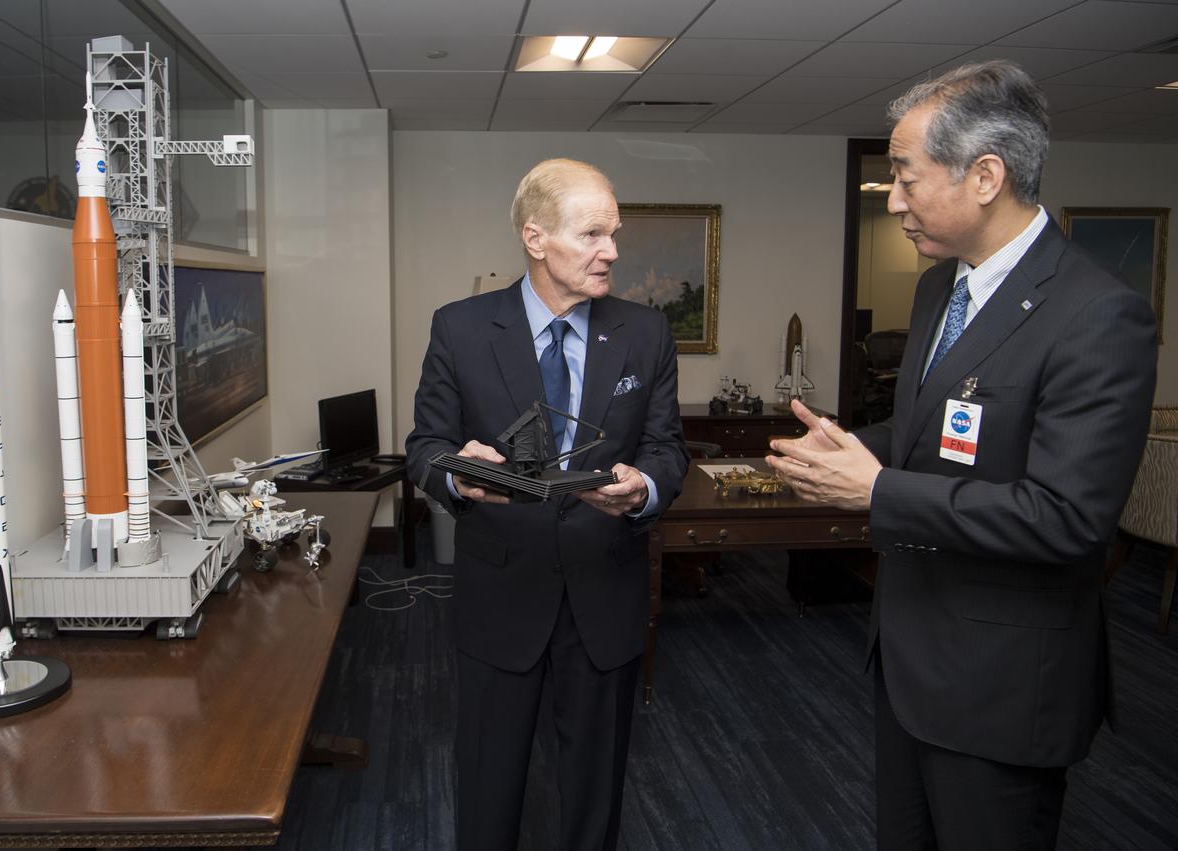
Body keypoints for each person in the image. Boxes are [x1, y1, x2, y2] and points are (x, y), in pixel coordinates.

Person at [766, 61, 1156, 850]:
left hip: (1000, 685)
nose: (894, 199)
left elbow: (1066, 519)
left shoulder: (1097, 316)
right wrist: (849, 449)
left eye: (906, 177)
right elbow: (930, 432)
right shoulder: (940, 289)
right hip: (910, 661)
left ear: (985, 176)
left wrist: (877, 490)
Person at [406, 158, 689, 850]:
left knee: (596, 794)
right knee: (488, 785)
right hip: (501, 592)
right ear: (534, 238)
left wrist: (645, 488)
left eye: (614, 234)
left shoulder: (644, 333)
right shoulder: (461, 328)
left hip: (604, 594)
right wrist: (456, 476)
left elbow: (667, 449)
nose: (612, 251)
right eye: (592, 234)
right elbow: (424, 445)